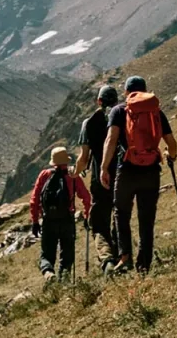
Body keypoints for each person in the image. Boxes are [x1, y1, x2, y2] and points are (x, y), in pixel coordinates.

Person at [100, 75, 177, 274]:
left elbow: (111, 140)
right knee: (147, 218)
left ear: (127, 92)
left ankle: (125, 256)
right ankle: (144, 265)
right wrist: (170, 155)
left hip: (126, 170)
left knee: (121, 213)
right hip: (151, 172)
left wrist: (103, 167)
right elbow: (172, 143)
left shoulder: (119, 110)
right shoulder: (156, 112)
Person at [74, 84, 120, 269]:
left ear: (99, 101)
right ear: (116, 100)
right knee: (120, 216)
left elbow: (84, 158)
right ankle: (122, 256)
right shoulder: (121, 117)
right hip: (122, 175)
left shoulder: (89, 123)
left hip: (99, 179)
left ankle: (107, 259)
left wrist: (75, 172)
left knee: (99, 222)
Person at [30, 146, 92, 281]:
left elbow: (34, 200)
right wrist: (87, 216)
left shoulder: (44, 175)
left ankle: (48, 274)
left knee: (46, 254)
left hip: (48, 220)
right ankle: (64, 282)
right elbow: (86, 198)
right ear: (66, 161)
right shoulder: (73, 175)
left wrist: (35, 221)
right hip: (67, 220)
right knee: (67, 254)